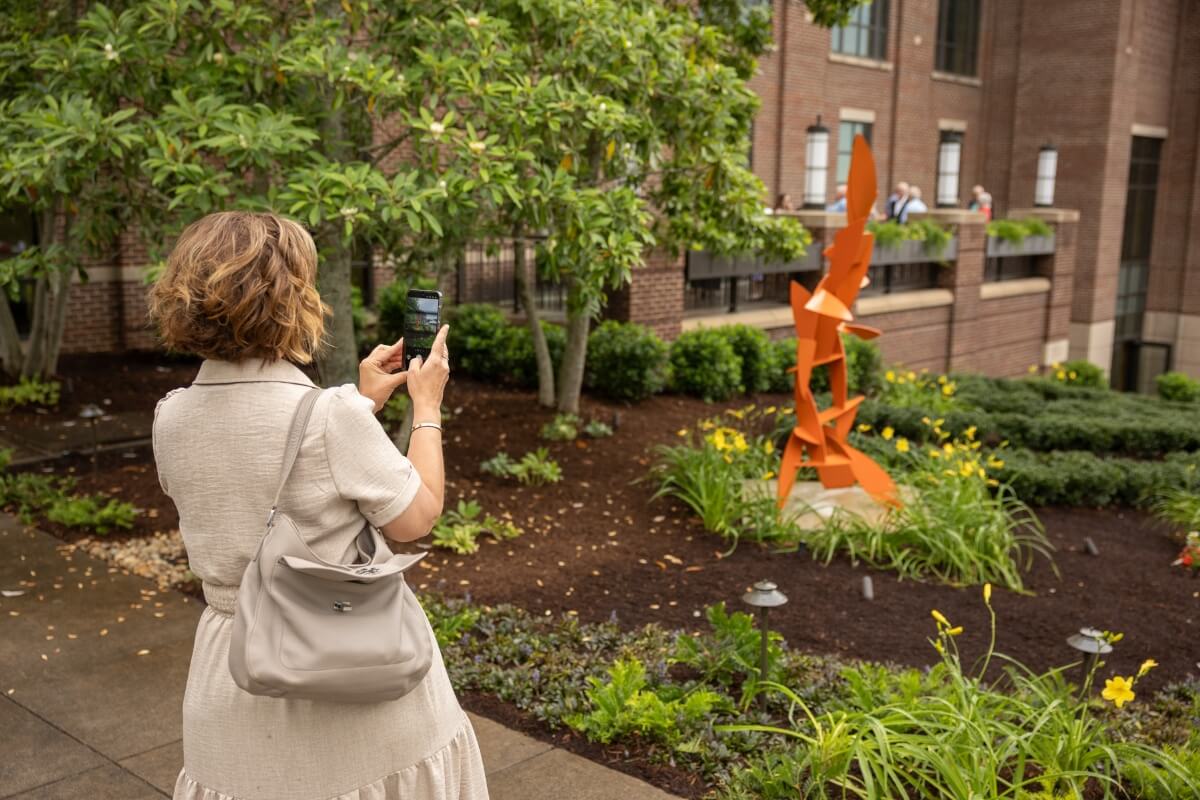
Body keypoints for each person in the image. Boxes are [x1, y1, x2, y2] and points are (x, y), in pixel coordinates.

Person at [148, 212, 487, 800]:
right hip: (351, 666)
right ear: (290, 300)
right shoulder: (330, 419)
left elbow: (256, 467)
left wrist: (358, 405)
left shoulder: (170, 416)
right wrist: (425, 406)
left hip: (234, 675)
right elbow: (418, 517)